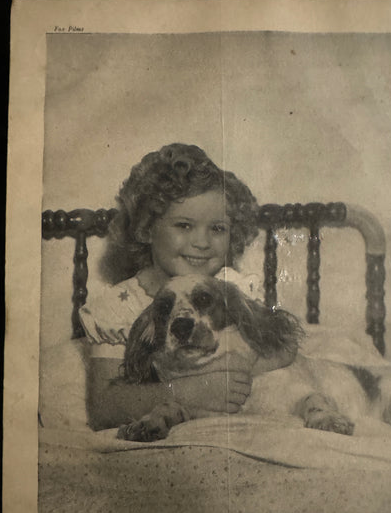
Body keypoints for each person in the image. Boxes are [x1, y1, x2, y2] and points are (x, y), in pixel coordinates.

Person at [80, 143, 296, 430]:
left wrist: (237, 372)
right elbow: (104, 407)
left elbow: (286, 344)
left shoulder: (229, 286)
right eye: (184, 226)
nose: (203, 242)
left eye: (217, 228)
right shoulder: (119, 306)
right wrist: (196, 389)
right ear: (146, 228)